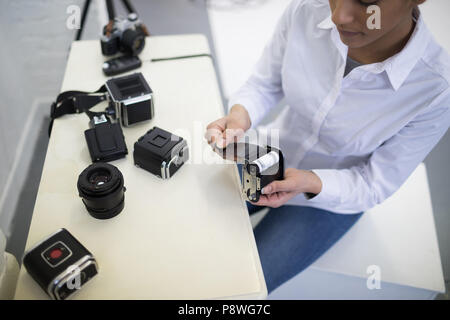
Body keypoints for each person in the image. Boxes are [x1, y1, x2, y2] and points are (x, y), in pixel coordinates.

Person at [205, 0, 450, 294]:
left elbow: (375, 184)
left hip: (331, 199)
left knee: (239, 289)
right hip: (269, 155)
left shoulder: (436, 88)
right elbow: (265, 83)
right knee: (191, 225)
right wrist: (239, 116)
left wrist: (312, 182)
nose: (338, 16)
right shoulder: (306, 10)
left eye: (365, 1)